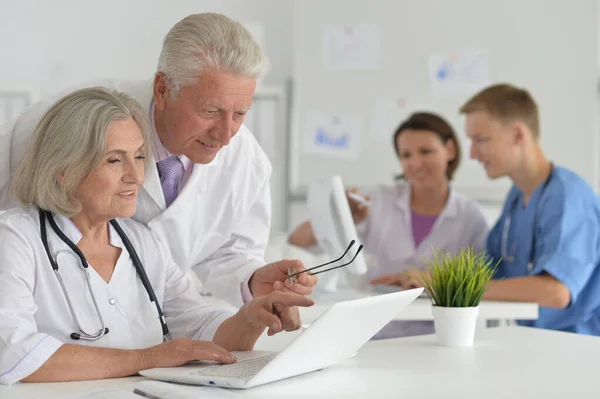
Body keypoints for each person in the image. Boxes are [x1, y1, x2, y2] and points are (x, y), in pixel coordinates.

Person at [0, 87, 314, 385]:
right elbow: (11, 353)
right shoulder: (15, 238)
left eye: (138, 156)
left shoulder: (142, 242)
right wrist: (149, 358)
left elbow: (199, 325)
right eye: (114, 159)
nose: (136, 175)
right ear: (64, 168)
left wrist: (251, 317)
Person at [0, 13, 316, 307]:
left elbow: (230, 255)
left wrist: (253, 281)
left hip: (153, 323)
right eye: (210, 111)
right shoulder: (69, 124)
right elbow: (18, 234)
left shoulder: (246, 161)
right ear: (163, 89)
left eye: (240, 114)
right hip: (51, 316)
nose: (226, 134)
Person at [288, 112, 489, 337]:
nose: (415, 163)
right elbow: (299, 240)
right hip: (374, 332)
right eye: (406, 155)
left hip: (437, 334)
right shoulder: (378, 201)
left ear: (450, 150)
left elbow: (482, 285)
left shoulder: (471, 218)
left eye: (426, 152)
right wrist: (342, 214)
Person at [461, 83, 600, 335]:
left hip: (582, 347)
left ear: (518, 134)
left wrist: (452, 286)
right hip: (539, 341)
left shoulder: (568, 197)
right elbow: (489, 270)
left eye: (480, 140)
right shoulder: (517, 197)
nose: (472, 154)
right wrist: (426, 279)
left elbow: (556, 292)